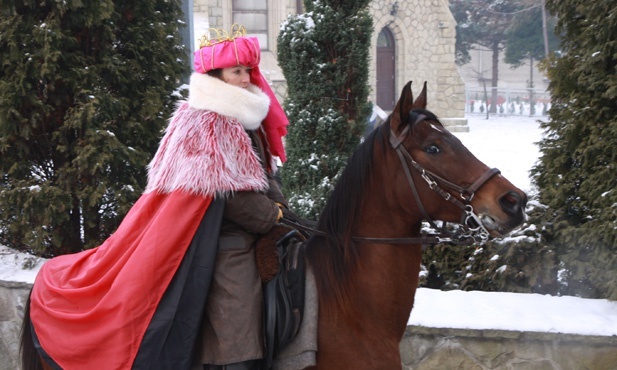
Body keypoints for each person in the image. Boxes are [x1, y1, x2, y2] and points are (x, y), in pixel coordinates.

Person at [27, 25, 289, 370]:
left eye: (246, 71)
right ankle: (235, 361)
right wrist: (272, 217)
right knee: (237, 298)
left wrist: (283, 210)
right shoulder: (206, 122)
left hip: (256, 226)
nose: (244, 78)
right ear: (217, 76)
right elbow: (229, 193)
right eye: (235, 71)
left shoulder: (243, 120)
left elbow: (263, 175)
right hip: (223, 241)